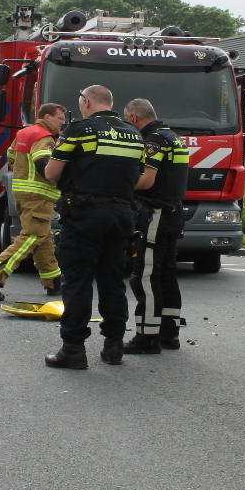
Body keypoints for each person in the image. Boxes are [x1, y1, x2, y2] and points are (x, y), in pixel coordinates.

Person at [40, 85, 146, 369]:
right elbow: (140, 177)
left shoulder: (79, 130)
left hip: (86, 213)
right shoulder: (134, 134)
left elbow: (51, 173)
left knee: (78, 282)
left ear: (86, 102)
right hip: (122, 214)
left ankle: (73, 350)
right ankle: (114, 346)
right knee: (113, 281)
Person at [0, 102, 68, 301]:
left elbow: (11, 158)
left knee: (42, 239)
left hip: (22, 193)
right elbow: (44, 163)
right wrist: (62, 182)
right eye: (60, 118)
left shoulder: (24, 133)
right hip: (39, 196)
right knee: (32, 237)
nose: (63, 122)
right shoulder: (45, 137)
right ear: (47, 117)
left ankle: (54, 283)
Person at [122, 98, 189, 354]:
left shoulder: (153, 141)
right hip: (173, 212)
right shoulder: (173, 137)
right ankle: (169, 334)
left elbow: (147, 181)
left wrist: (122, 184)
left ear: (134, 118)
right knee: (167, 274)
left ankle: (147, 337)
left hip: (156, 214)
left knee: (145, 275)